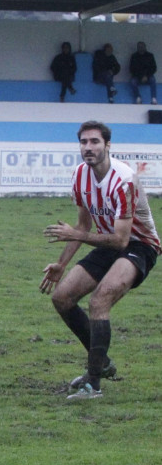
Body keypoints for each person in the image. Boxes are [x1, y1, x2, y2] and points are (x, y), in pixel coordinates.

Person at [40, 120, 160, 399]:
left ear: (108, 145)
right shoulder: (80, 175)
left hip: (139, 245)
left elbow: (121, 240)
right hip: (107, 241)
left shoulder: (124, 179)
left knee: (99, 300)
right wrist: (61, 264)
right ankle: (101, 363)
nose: (88, 147)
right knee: (62, 297)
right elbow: (82, 227)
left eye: (94, 142)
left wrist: (74, 234)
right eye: (83, 142)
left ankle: (92, 384)